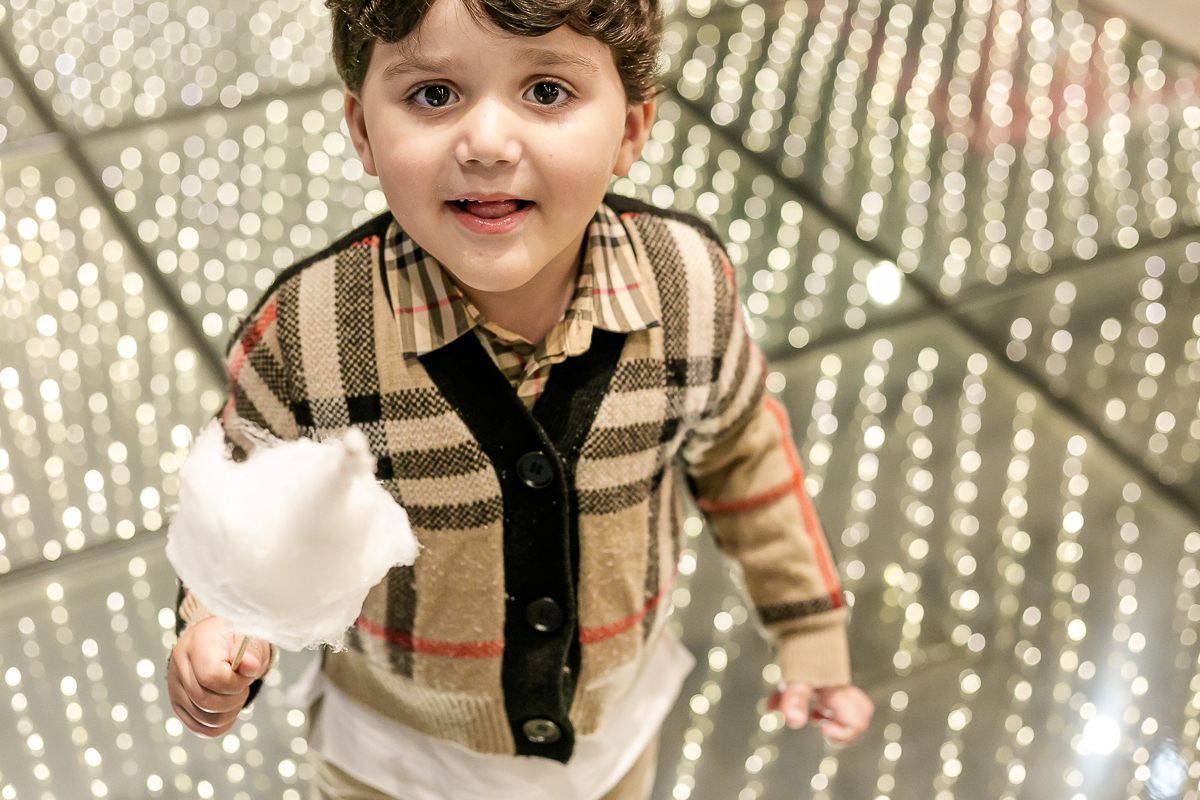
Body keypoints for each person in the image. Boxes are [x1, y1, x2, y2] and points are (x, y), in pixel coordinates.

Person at [165, 0, 874, 797]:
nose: (488, 145)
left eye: (547, 92)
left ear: (632, 129)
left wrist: (809, 632)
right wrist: (219, 623)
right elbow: (240, 518)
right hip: (393, 759)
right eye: (433, 95)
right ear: (362, 128)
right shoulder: (308, 332)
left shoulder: (689, 290)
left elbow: (745, 461)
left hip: (610, 743)